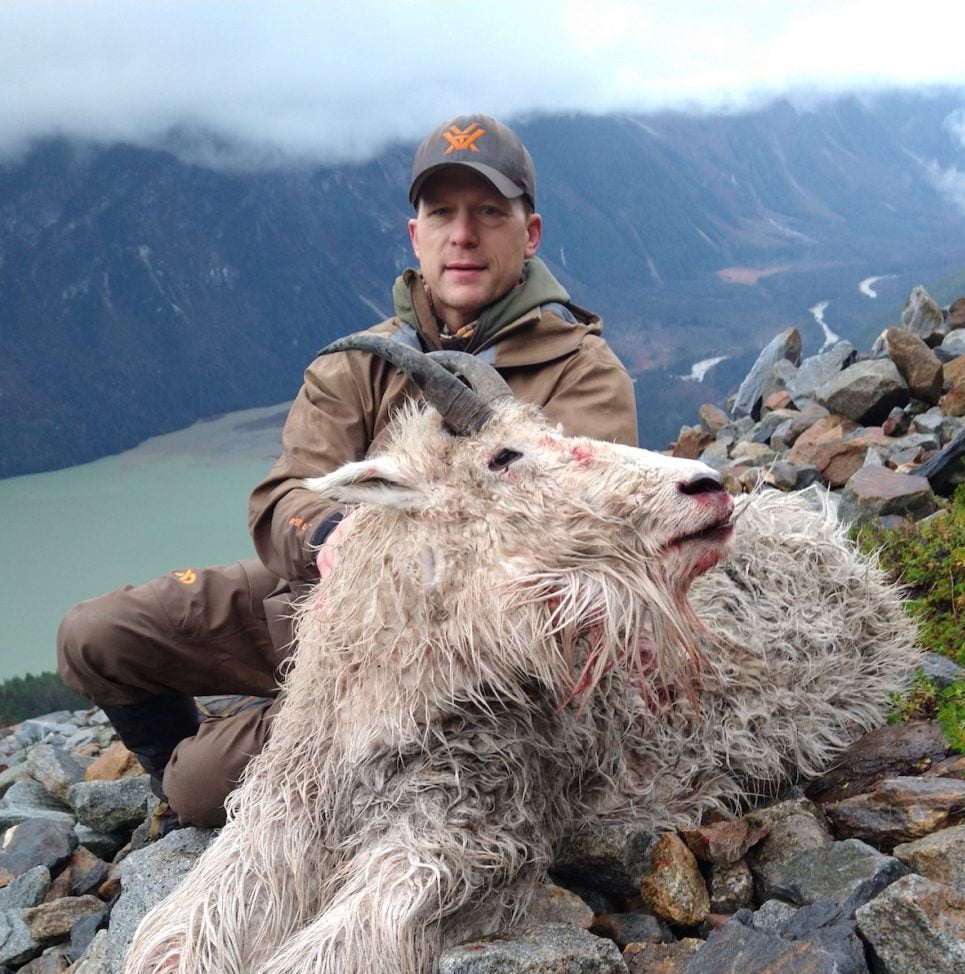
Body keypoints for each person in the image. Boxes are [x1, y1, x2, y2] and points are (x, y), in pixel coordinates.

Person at [58, 113, 639, 827]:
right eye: (442, 212)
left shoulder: (584, 375)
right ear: (415, 234)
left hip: (455, 665)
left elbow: (580, 549)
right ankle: (240, 768)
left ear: (531, 232)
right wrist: (329, 537)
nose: (463, 233)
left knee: (203, 787)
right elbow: (283, 499)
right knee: (92, 635)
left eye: (489, 211)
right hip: (321, 601)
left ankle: (239, 792)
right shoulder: (360, 358)